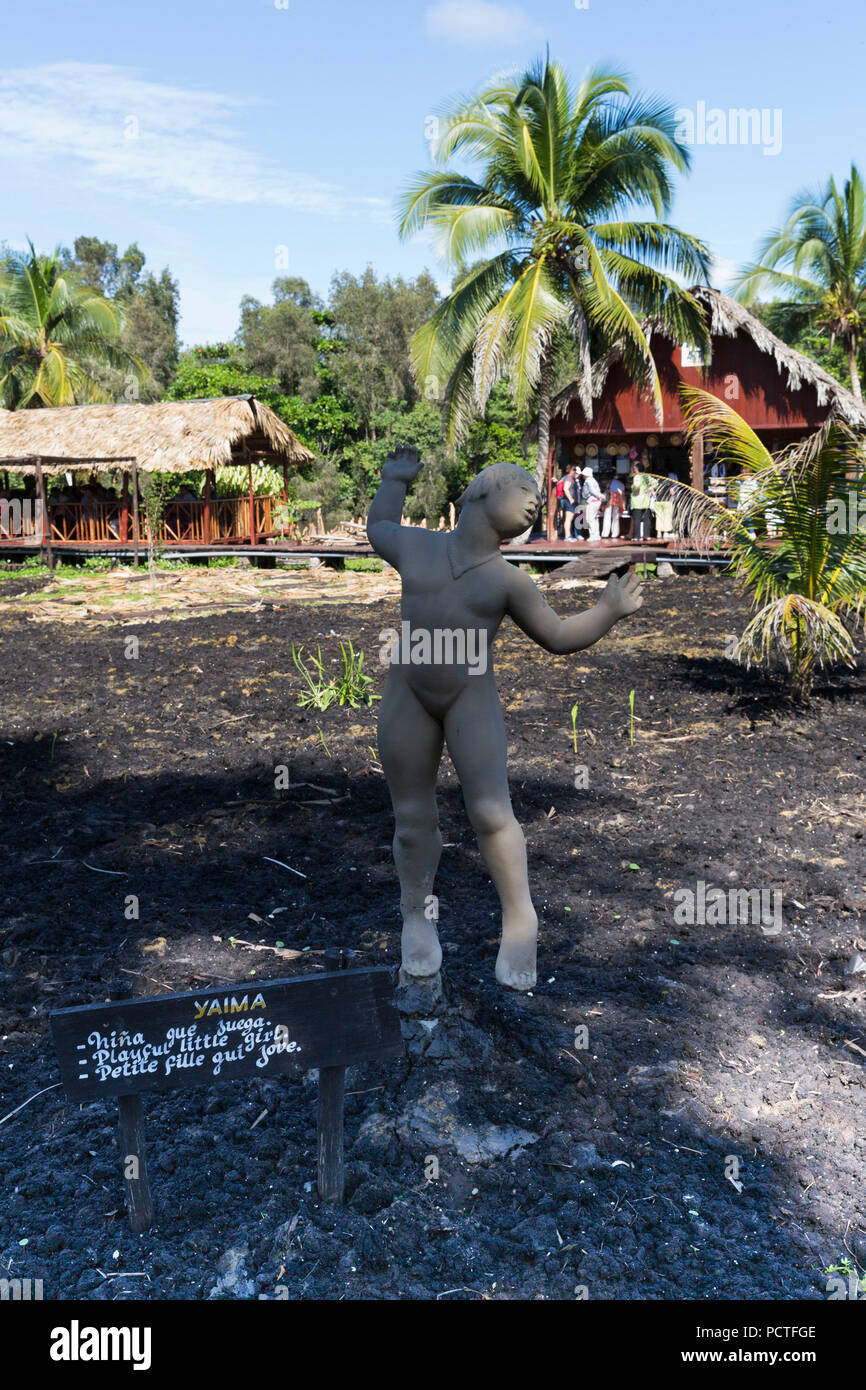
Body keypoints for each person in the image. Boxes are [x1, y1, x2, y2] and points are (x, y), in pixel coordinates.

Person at [367, 449, 644, 990]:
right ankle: (416, 917)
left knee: (493, 812)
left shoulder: (508, 581)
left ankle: (520, 919)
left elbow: (558, 637)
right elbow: (379, 526)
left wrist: (608, 611)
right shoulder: (418, 547)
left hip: (470, 700)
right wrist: (394, 479)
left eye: (539, 500)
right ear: (484, 491)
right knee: (412, 817)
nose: (537, 504)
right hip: (407, 696)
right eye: (526, 492)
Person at [629, 462, 654, 540]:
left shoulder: (637, 477)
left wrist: (634, 488)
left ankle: (637, 536)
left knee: (637, 519)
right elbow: (656, 482)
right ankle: (646, 535)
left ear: (637, 469)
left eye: (635, 469)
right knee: (646, 519)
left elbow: (636, 486)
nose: (634, 470)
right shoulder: (647, 477)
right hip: (646, 501)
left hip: (637, 501)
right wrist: (650, 488)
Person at [556, 463, 578, 540]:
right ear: (571, 470)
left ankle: (568, 536)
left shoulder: (566, 477)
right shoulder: (568, 478)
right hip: (568, 501)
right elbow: (566, 489)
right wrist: (571, 498)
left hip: (567, 501)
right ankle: (567, 536)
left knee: (569, 518)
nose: (575, 471)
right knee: (569, 519)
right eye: (574, 470)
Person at [580, 465, 603, 542]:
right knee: (595, 518)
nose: (582, 475)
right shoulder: (593, 480)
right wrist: (600, 496)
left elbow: (592, 490)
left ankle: (593, 535)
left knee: (590, 519)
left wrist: (600, 495)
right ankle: (596, 535)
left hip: (592, 501)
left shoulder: (588, 481)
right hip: (597, 501)